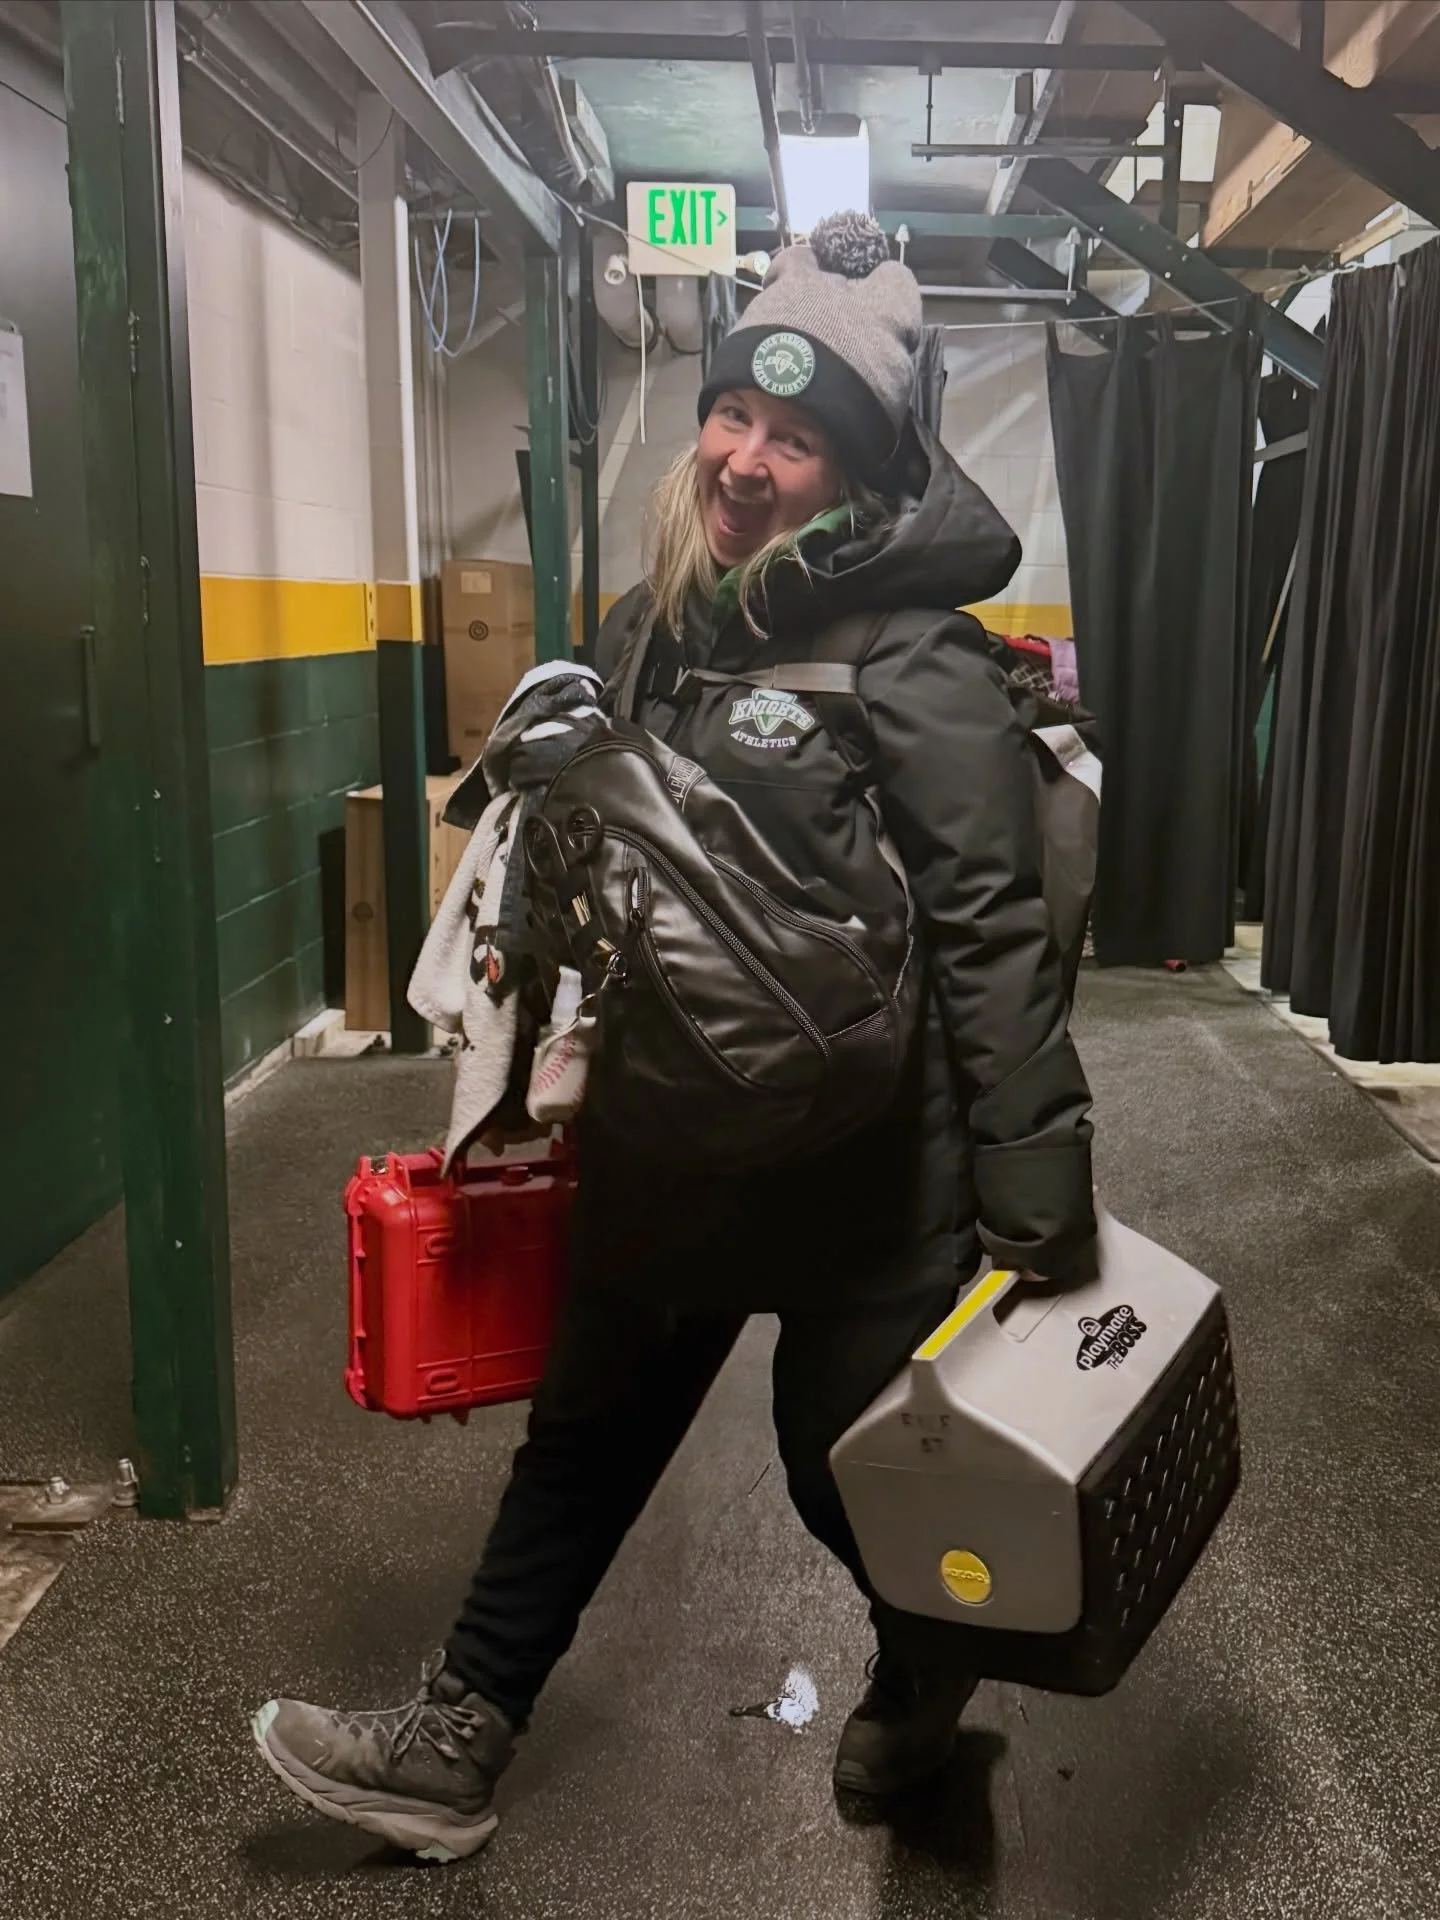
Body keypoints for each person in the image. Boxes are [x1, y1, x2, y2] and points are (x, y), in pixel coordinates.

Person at [252, 212, 1097, 1863]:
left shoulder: (913, 657)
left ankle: (927, 1674)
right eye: (733, 416)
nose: (747, 459)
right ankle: (457, 1741)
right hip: (667, 1141)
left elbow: (994, 933)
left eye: (797, 438)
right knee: (582, 1440)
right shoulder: (653, 628)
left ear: (854, 475)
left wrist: (1034, 1186)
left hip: (868, 1175)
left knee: (836, 1467)